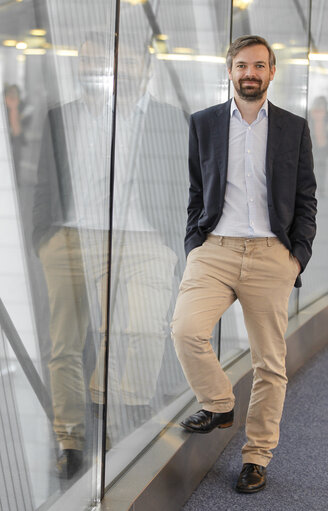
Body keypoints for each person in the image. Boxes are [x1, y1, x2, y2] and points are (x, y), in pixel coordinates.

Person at [171, 35, 317, 493]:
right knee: (185, 329)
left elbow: (305, 197)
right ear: (229, 71)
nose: (249, 73)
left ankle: (256, 456)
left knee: (269, 363)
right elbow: (198, 191)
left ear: (272, 72)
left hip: (273, 254)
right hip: (214, 249)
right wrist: (195, 242)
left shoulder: (294, 128)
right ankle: (219, 401)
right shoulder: (204, 123)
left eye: (258, 65)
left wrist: (298, 256)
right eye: (241, 65)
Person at [33, 33, 180, 479]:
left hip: (141, 237)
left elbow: (182, 184)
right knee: (63, 343)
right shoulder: (64, 116)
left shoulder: (170, 120)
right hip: (71, 237)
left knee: (138, 332)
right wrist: (44, 237)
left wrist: (173, 238)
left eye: (127, 61)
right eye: (95, 61)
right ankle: (71, 441)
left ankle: (114, 422)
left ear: (146, 66)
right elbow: (45, 181)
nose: (117, 70)